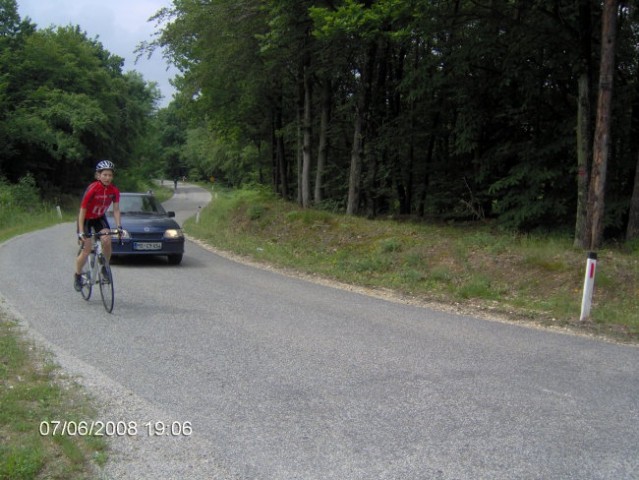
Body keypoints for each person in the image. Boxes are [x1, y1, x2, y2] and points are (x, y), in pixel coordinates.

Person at [74, 160, 122, 291]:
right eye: (105, 175)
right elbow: (82, 209)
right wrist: (80, 232)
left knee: (107, 239)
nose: (107, 178)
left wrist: (119, 227)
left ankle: (104, 267)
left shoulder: (114, 191)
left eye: (110, 175)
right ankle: (78, 275)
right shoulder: (93, 189)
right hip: (86, 220)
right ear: (98, 176)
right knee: (87, 249)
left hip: (99, 218)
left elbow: (116, 209)